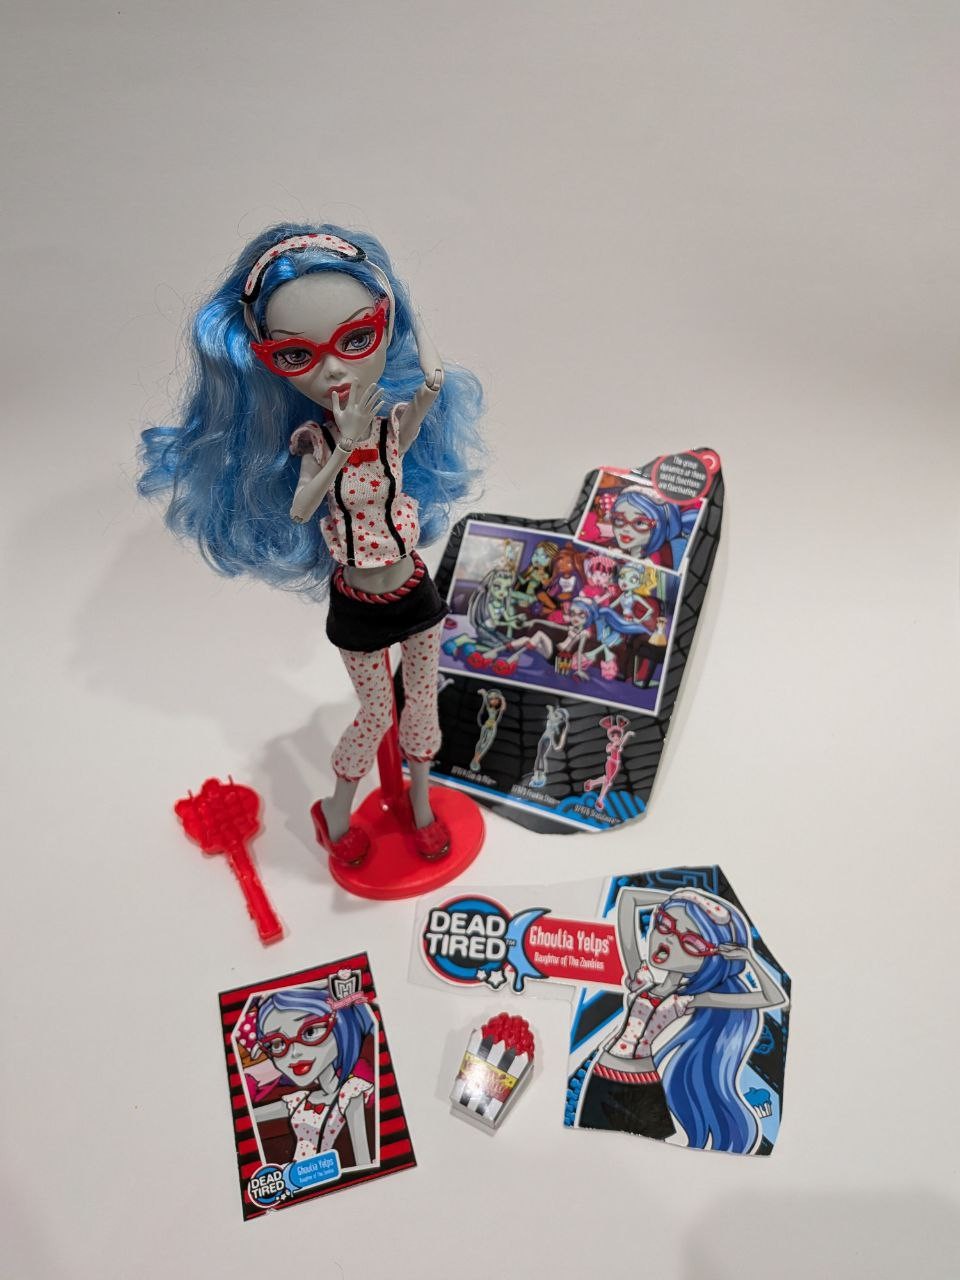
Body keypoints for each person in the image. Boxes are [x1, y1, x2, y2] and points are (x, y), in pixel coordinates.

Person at [140, 225, 483, 865]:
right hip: (359, 603)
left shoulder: (392, 431)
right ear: (265, 363)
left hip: (413, 588)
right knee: (375, 714)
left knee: (422, 704)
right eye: (297, 355)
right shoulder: (315, 444)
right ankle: (335, 810)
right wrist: (342, 444)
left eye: (356, 339)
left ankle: (420, 803)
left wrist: (411, 322)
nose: (334, 369)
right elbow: (302, 507)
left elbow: (432, 384)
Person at [576, 886, 787, 1152]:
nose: (670, 940)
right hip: (603, 1073)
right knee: (587, 1146)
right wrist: (682, 898)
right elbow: (628, 900)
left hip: (642, 1082)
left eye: (691, 943)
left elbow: (771, 998)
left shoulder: (689, 999)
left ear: (710, 957)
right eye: (665, 925)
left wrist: (750, 959)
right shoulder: (642, 980)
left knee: (647, 1154)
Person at [250, 985, 375, 1167]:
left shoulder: (351, 1092)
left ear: (341, 1025)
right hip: (296, 1178)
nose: (294, 1053)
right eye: (277, 1044)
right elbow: (249, 1116)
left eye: (310, 1032)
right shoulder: (300, 1100)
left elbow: (364, 1162)